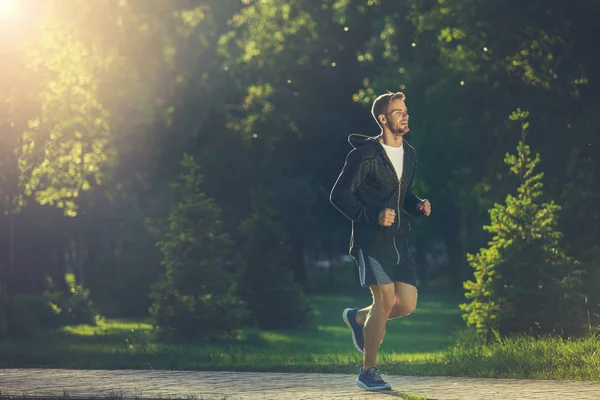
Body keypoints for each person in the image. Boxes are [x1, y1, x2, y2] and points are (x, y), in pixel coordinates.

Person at [330, 92, 431, 391]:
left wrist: (417, 205)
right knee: (384, 301)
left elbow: (403, 194)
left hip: (399, 240)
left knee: (407, 304)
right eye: (398, 111)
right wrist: (372, 215)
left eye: (406, 110)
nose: (405, 115)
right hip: (370, 240)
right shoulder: (365, 155)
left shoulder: (409, 154)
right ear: (383, 119)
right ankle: (368, 372)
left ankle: (357, 318)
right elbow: (339, 196)